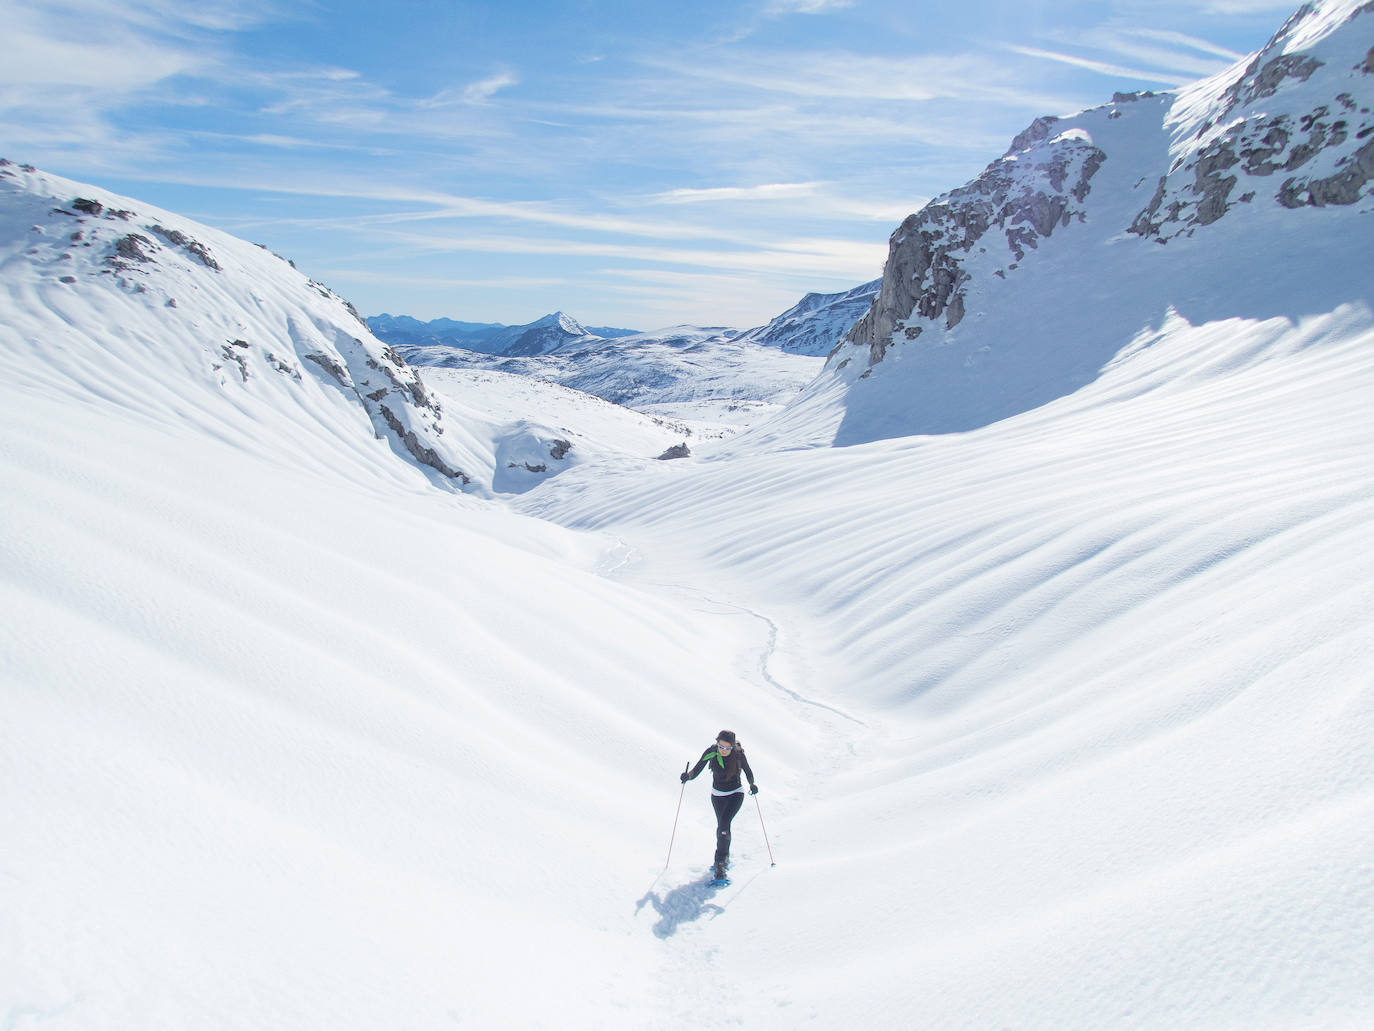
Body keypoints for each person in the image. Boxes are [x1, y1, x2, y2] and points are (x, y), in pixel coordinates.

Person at [680, 730, 758, 881]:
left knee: (723, 825)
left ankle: (721, 862)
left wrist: (752, 784)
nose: (723, 750)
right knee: (722, 827)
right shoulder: (711, 752)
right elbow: (697, 769)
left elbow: (748, 771)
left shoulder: (739, 755)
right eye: (721, 746)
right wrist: (687, 776)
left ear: (732, 747)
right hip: (717, 796)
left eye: (727, 748)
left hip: (735, 794)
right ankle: (722, 857)